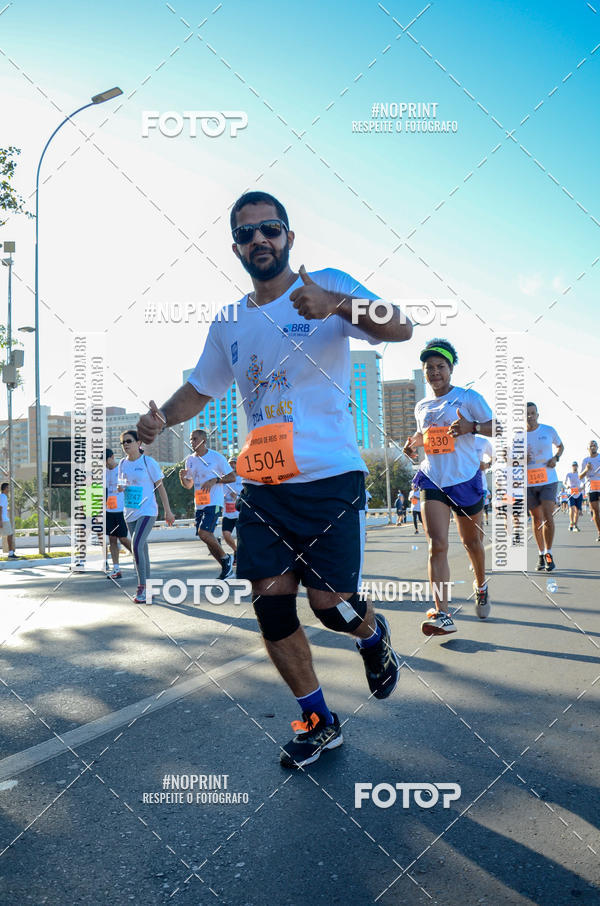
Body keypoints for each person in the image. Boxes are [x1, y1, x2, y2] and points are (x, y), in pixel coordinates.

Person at [137, 189, 412, 768]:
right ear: (235, 247)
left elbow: (401, 328)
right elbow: (201, 389)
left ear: (288, 236)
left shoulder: (326, 283)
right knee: (271, 605)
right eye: (246, 234)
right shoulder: (230, 320)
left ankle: (372, 635)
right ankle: (318, 720)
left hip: (329, 476)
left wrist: (337, 305)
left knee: (330, 606)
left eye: (270, 229)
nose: (259, 239)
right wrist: (161, 415)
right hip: (263, 483)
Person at [403, 338, 494, 635]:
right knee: (437, 545)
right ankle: (442, 613)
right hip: (433, 479)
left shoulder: (469, 398)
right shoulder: (422, 405)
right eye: (429, 368)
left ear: (451, 369)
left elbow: (497, 426)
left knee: (472, 544)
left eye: (440, 366)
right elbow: (425, 435)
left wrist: (473, 427)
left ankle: (480, 585)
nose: (434, 372)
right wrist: (412, 443)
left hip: (465, 479)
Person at [117, 430, 175, 603]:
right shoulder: (122, 463)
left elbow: (160, 487)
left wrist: (168, 510)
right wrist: (121, 487)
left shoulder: (148, 462)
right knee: (142, 549)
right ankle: (149, 588)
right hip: (130, 512)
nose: (125, 445)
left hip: (147, 511)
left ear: (138, 443)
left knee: (135, 545)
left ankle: (141, 587)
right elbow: (121, 483)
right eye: (123, 443)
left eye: (129, 441)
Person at [179, 430, 236, 579]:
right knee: (204, 536)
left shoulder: (216, 457)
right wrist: (182, 479)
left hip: (215, 502)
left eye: (195, 438)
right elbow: (189, 485)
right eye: (191, 439)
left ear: (204, 440)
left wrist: (214, 480)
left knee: (204, 533)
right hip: (200, 504)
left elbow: (232, 477)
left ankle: (226, 558)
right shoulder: (190, 460)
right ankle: (227, 569)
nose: (192, 442)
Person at [526, 403, 563, 572]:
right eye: (526, 414)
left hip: (548, 479)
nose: (530, 416)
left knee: (548, 515)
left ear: (537, 415)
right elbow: (509, 459)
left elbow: (561, 446)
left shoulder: (548, 430)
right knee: (536, 519)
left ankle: (548, 554)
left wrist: (556, 458)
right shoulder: (518, 436)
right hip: (529, 482)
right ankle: (541, 554)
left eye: (532, 413)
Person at [105, 449, 133, 578]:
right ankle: (116, 569)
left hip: (121, 509)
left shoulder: (120, 469)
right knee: (112, 539)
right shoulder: (104, 472)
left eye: (105, 460)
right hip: (109, 510)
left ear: (112, 457)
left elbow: (128, 486)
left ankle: (138, 556)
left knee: (122, 538)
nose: (105, 464)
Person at [221, 457, 244, 565]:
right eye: (230, 463)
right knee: (226, 534)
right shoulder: (225, 480)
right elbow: (219, 493)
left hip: (240, 513)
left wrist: (238, 496)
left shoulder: (243, 479)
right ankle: (236, 550)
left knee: (241, 537)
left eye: (235, 463)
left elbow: (248, 495)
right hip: (228, 513)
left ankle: (239, 556)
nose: (232, 465)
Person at [579, 440, 600, 540]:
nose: (593, 447)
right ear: (587, 448)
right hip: (591, 487)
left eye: (594, 445)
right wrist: (586, 470)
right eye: (591, 446)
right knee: (595, 511)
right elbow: (580, 476)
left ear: (597, 447)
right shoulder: (585, 460)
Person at [564, 462, 582, 532]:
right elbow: (564, 482)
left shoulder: (580, 474)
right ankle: (571, 523)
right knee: (571, 508)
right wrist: (566, 486)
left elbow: (583, 482)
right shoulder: (569, 474)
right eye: (573, 465)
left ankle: (575, 525)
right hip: (570, 493)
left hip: (578, 493)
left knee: (577, 510)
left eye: (575, 465)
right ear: (571, 466)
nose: (574, 467)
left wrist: (582, 488)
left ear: (577, 466)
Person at [0, 482, 17, 559]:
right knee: (10, 535)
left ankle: (11, 552)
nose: (8, 489)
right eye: (7, 488)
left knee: (9, 535)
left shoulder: (2, 496)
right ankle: (11, 553)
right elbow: (0, 509)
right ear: (4, 489)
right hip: (4, 520)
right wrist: (0, 521)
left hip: (3, 519)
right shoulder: (3, 497)